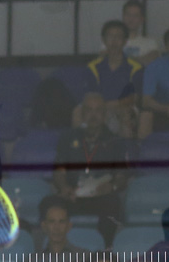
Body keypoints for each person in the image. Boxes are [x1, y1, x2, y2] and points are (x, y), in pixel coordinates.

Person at [53, 92, 129, 245]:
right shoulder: (68, 138)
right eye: (89, 110)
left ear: (105, 115)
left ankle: (104, 250)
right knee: (48, 204)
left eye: (98, 110)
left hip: (100, 196)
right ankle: (57, 252)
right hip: (73, 195)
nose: (93, 115)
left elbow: (122, 176)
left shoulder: (115, 142)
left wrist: (112, 186)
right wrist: (64, 187)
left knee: (113, 204)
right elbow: (59, 171)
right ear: (82, 113)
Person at [83, 20, 143, 137]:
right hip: (99, 108)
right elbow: (90, 96)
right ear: (104, 40)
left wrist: (110, 105)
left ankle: (126, 152)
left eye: (118, 36)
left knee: (125, 113)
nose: (114, 41)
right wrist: (102, 108)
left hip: (123, 109)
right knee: (80, 112)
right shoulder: (92, 67)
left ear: (125, 41)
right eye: (110, 36)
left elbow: (134, 98)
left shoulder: (136, 67)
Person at [121, 0, 159, 66]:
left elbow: (153, 59)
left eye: (135, 15)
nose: (131, 19)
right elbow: (104, 59)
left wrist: (122, 59)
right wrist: (140, 60)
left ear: (142, 19)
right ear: (123, 17)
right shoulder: (111, 40)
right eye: (128, 14)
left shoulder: (151, 43)